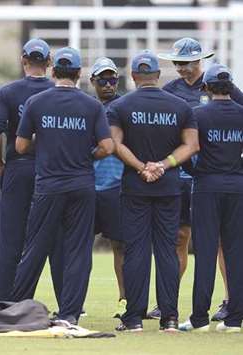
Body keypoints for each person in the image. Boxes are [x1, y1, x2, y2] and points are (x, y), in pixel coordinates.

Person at [11, 47, 114, 325]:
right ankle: (70, 314)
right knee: (78, 250)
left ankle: (19, 309)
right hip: (82, 184)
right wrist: (87, 153)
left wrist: (45, 143)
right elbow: (108, 146)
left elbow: (20, 146)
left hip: (49, 185)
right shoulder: (92, 105)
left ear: (53, 71)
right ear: (79, 74)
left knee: (35, 248)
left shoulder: (36, 101)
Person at [109, 51, 199, 332]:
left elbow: (114, 144)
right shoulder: (180, 106)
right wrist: (163, 164)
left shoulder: (120, 106)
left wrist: (140, 167)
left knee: (135, 250)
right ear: (158, 76)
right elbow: (192, 145)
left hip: (135, 186)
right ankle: (169, 317)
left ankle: (134, 318)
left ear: (133, 76)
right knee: (167, 250)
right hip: (169, 187)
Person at [155, 37, 243, 321]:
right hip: (181, 177)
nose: (181, 68)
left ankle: (230, 301)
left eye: (186, 63)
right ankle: (168, 302)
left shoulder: (228, 91)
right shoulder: (170, 92)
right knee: (178, 239)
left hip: (207, 180)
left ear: (200, 61)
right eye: (177, 63)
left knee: (219, 244)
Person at [178, 64, 243, 333]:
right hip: (237, 186)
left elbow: (189, 150)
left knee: (204, 252)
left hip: (206, 186)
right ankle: (235, 319)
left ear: (205, 87)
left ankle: (200, 318)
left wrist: (196, 172)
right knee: (236, 252)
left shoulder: (198, 114)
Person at [0, 38, 54, 301]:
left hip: (17, 167)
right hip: (51, 171)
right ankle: (68, 308)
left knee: (9, 240)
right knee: (54, 241)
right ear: (49, 62)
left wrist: (0, 163)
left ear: (23, 60)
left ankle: (2, 301)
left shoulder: (8, 91)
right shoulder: (57, 91)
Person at [89, 57, 126, 318]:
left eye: (113, 79)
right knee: (78, 245)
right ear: (92, 81)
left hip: (116, 184)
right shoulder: (84, 107)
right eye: (103, 79)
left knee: (121, 245)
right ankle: (74, 302)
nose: (109, 84)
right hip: (87, 185)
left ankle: (126, 300)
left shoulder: (124, 107)